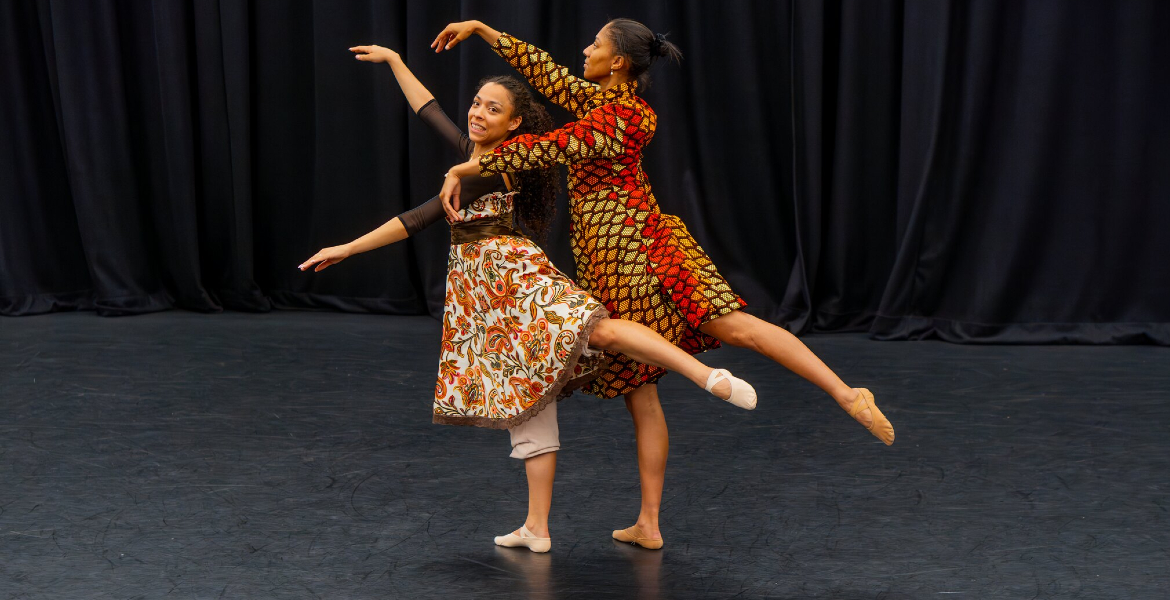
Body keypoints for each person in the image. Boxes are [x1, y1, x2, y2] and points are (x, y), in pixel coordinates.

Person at [432, 19, 895, 550]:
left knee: (732, 328)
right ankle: (648, 524)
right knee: (642, 391)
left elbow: (554, 147)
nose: (585, 50)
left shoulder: (625, 115)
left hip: (637, 250)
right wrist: (483, 30)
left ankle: (845, 392)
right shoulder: (602, 102)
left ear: (618, 63)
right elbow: (548, 74)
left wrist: (466, 168)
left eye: (596, 45)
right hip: (612, 257)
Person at [298, 45, 756, 553]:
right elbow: (427, 109)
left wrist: (346, 247)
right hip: (482, 292)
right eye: (476, 103)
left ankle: (705, 375)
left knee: (595, 328)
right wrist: (395, 62)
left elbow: (417, 219)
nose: (477, 113)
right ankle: (536, 527)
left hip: (508, 275)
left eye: (493, 109)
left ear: (515, 126)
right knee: (527, 395)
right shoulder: (473, 159)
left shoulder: (492, 168)